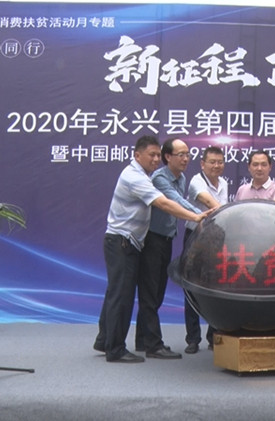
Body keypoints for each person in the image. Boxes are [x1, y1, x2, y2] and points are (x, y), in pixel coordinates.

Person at [93, 135, 208, 363]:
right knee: (122, 296)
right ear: (138, 155)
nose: (156, 159)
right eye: (152, 155)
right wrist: (196, 217)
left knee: (118, 293)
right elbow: (164, 202)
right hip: (122, 241)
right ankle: (116, 349)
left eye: (157, 155)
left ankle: (105, 340)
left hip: (130, 241)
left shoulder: (144, 175)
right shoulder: (136, 177)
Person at [134, 138, 202, 360]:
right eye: (181, 154)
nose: (186, 159)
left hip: (166, 239)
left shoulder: (181, 178)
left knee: (157, 292)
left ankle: (142, 339)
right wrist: (199, 216)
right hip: (152, 239)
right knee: (151, 292)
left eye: (188, 154)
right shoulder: (159, 178)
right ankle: (154, 344)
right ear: (168, 157)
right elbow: (175, 202)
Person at [183, 146, 228, 353]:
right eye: (212, 162)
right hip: (196, 238)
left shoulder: (224, 183)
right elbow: (213, 205)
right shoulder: (196, 181)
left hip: (217, 239)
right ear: (203, 163)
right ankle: (193, 338)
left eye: (220, 162)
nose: (216, 166)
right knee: (192, 286)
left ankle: (213, 336)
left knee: (216, 286)